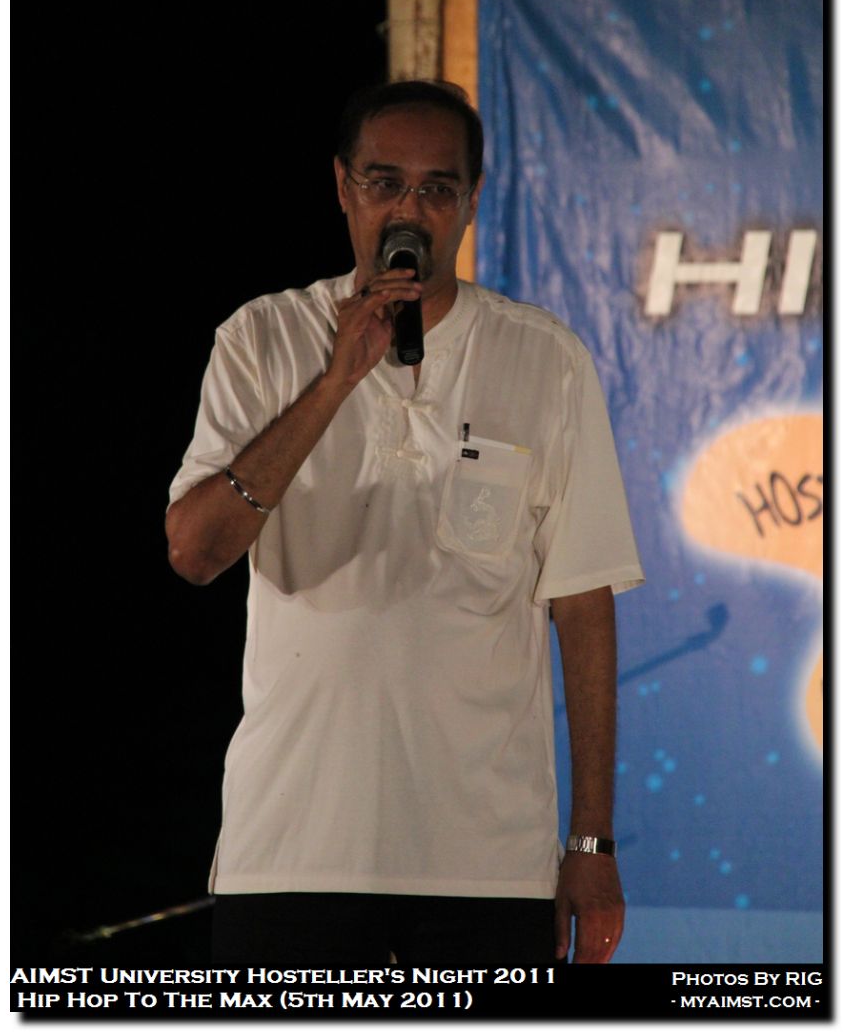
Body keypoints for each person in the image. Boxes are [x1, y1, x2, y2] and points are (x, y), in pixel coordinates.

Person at [166, 79, 644, 967]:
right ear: (342, 187)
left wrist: (589, 843)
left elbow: (582, 606)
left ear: (470, 201)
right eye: (385, 183)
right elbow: (195, 551)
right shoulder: (261, 339)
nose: (409, 211)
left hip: (488, 865)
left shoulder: (545, 359)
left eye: (436, 188)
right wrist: (336, 380)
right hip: (292, 852)